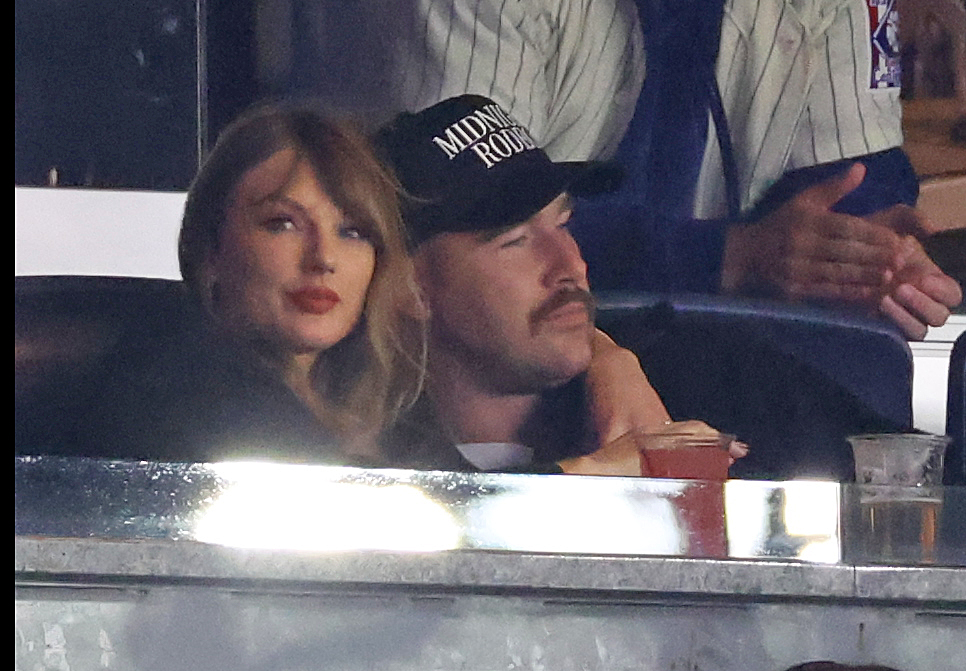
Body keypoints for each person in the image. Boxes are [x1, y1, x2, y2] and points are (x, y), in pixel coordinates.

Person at [380, 0, 961, 340]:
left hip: (737, 348)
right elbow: (453, 226)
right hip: (500, 359)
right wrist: (728, 256)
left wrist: (863, 253)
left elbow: (862, 166)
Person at [374, 94, 745, 476]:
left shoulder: (711, 391)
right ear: (410, 286)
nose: (570, 264)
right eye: (515, 240)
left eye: (563, 224)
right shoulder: (360, 458)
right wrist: (593, 476)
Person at [77, 104, 425, 464]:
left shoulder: (409, 423)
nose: (323, 259)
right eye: (282, 224)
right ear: (211, 247)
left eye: (351, 231)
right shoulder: (171, 400)